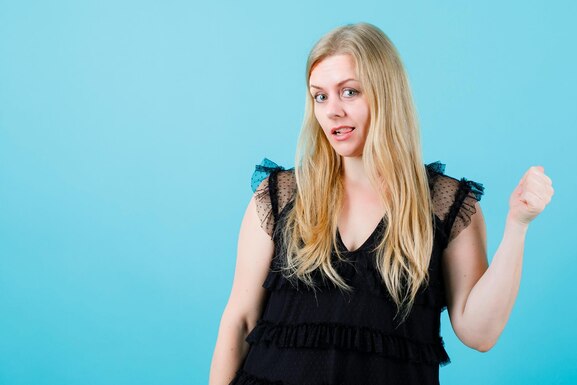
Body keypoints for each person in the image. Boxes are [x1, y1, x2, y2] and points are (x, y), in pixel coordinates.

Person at [209, 22, 554, 385]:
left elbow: (479, 333)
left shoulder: (443, 205)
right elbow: (240, 320)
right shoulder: (280, 196)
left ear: (387, 94)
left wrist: (518, 225)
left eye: (350, 92)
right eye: (320, 96)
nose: (332, 111)